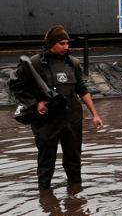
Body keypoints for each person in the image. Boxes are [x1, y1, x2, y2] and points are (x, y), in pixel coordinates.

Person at [9, 25, 104, 190]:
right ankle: (45, 195)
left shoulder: (73, 63)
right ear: (51, 43)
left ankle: (75, 194)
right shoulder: (35, 63)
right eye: (62, 43)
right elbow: (16, 84)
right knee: (46, 159)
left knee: (74, 158)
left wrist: (95, 114)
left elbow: (82, 90)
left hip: (72, 116)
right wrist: (35, 102)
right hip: (47, 120)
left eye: (67, 43)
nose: (66, 47)